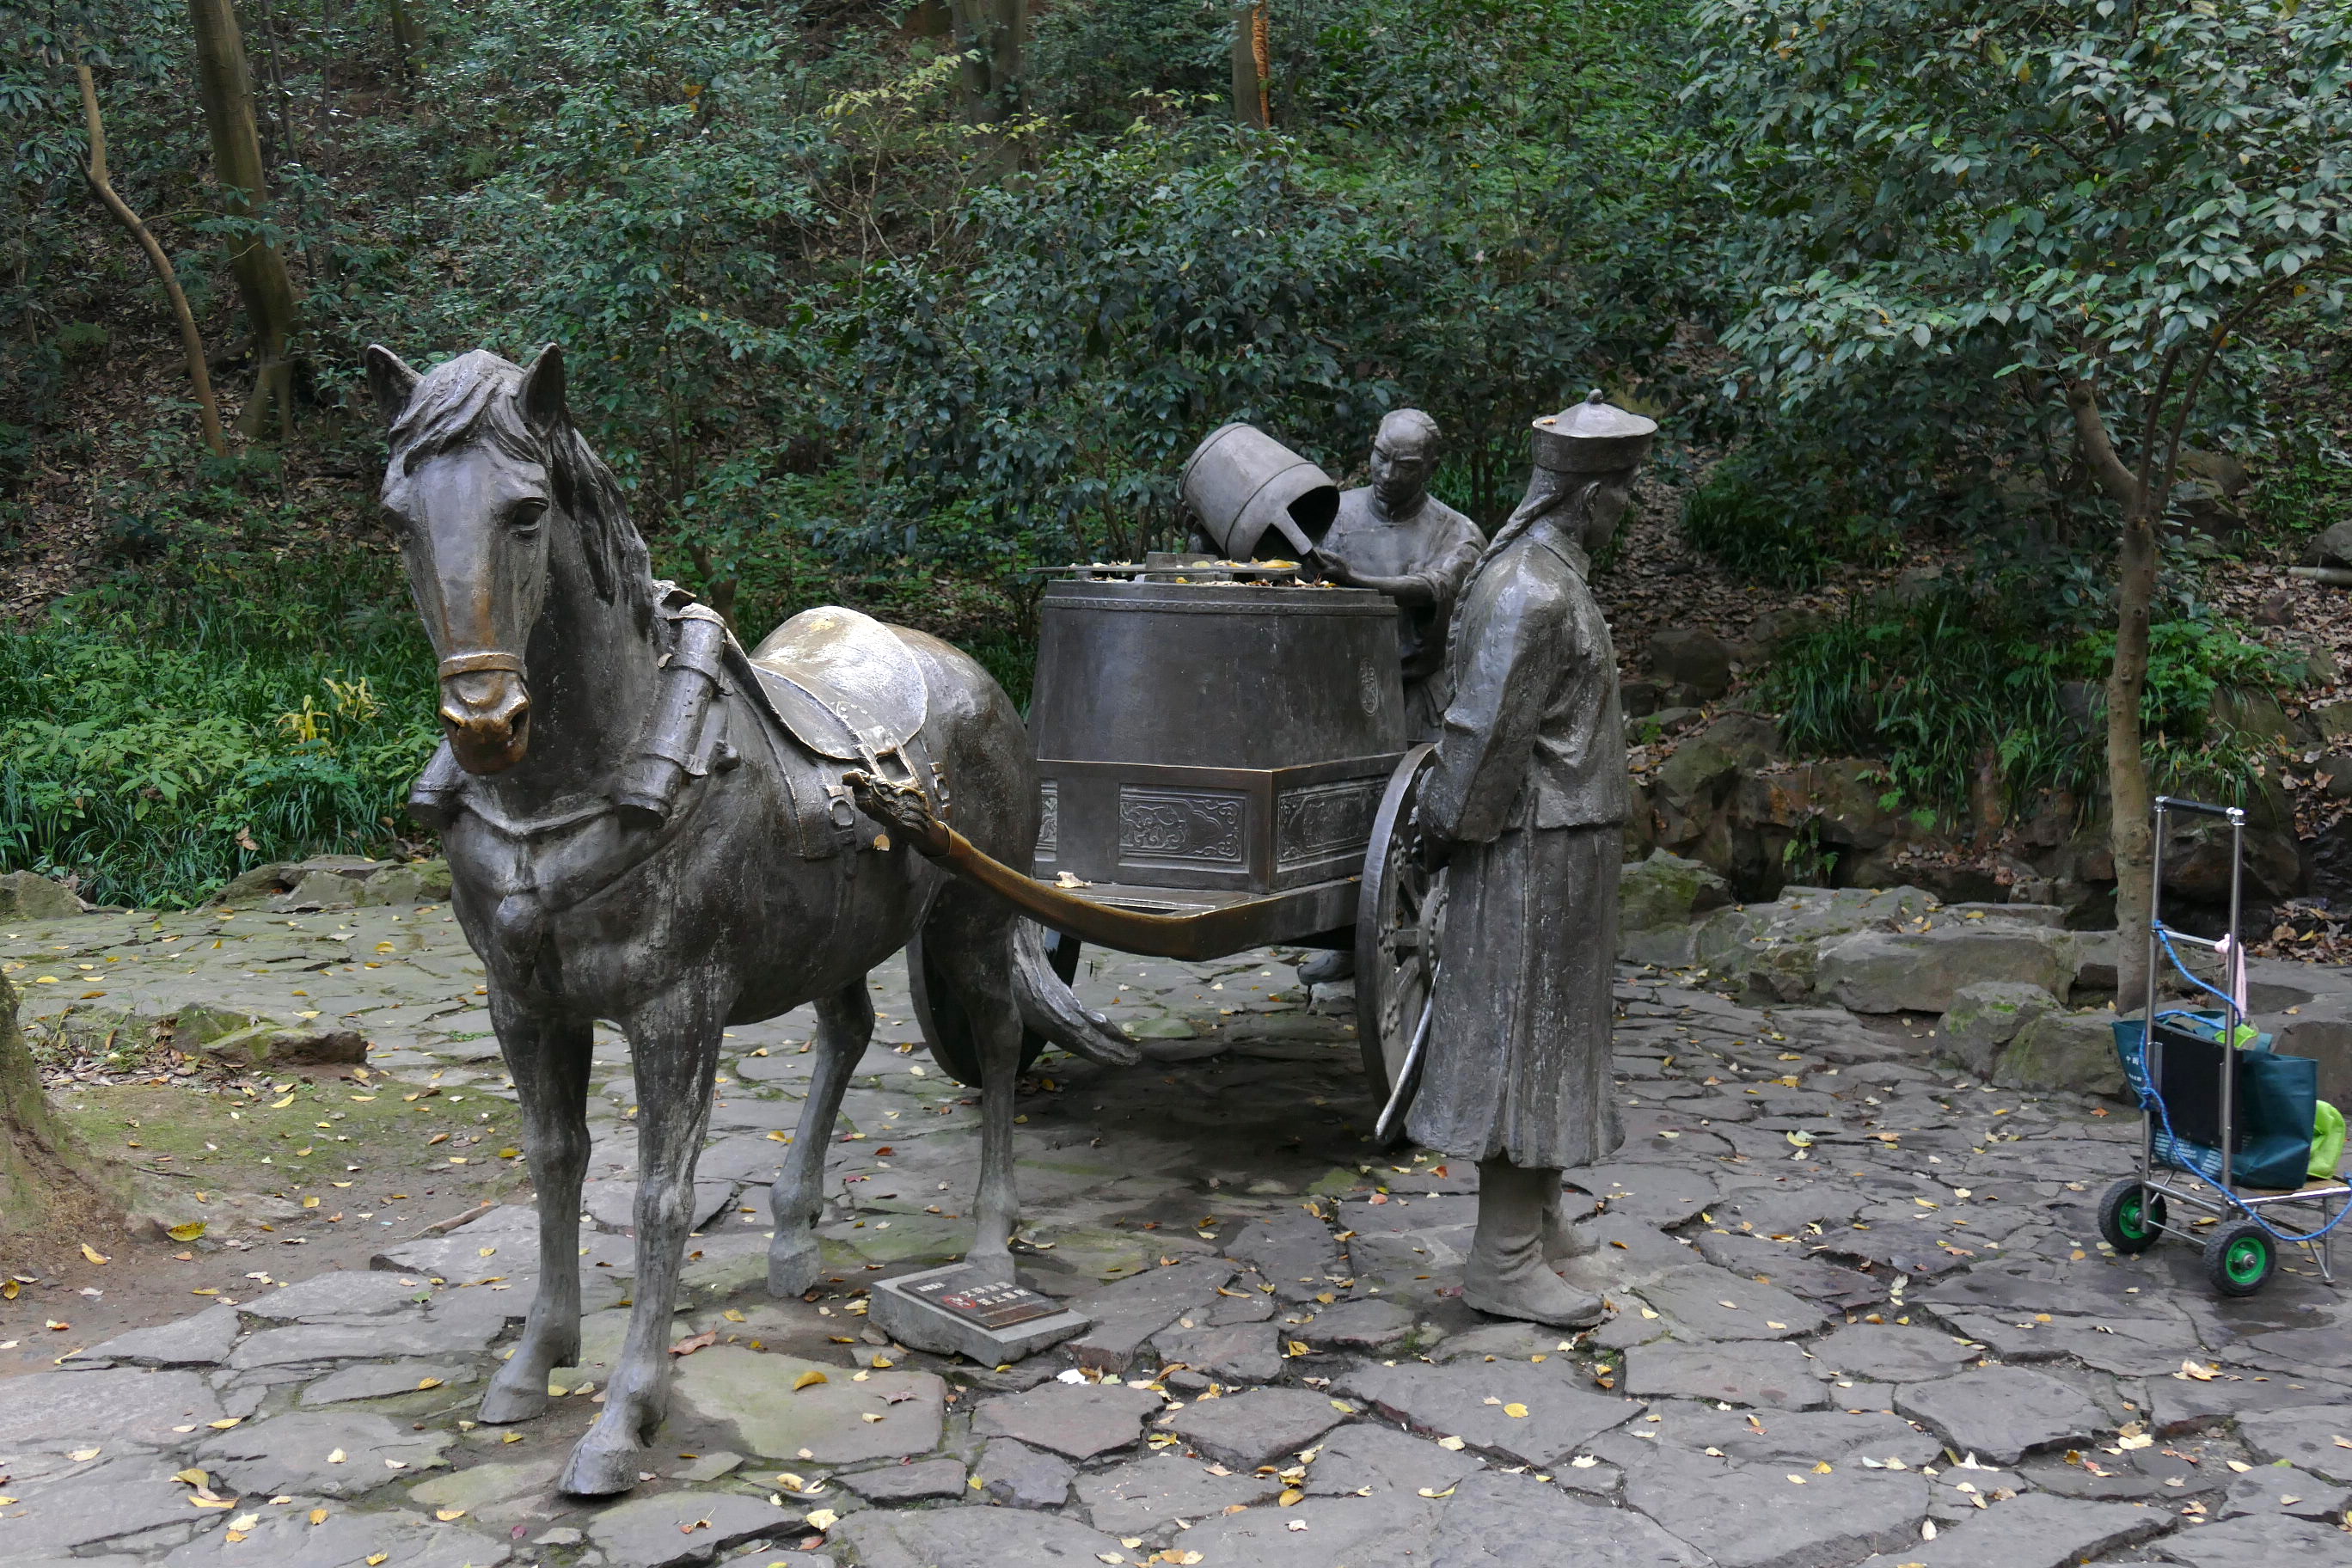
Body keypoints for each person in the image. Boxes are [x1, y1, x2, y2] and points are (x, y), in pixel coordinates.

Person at [1408, 390, 1655, 1327]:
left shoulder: (1552, 580)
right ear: (1586, 499)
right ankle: (1501, 1258)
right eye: (1623, 492)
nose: (1629, 509)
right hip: (1529, 849)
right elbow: (1480, 732)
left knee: (1556, 1031)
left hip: (1567, 843)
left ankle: (1539, 1221)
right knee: (1521, 1036)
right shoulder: (1533, 590)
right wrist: (1446, 832)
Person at [1297, 408, 1484, 990]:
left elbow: (1434, 588)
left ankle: (1410, 941)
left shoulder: (1457, 531)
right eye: (1380, 454)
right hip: (1338, 694)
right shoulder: (1336, 514)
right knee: (1338, 820)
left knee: (1408, 822)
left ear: (1431, 466)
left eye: (1404, 464)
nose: (1387, 472)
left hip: (1413, 694)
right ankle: (1345, 942)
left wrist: (1358, 583)